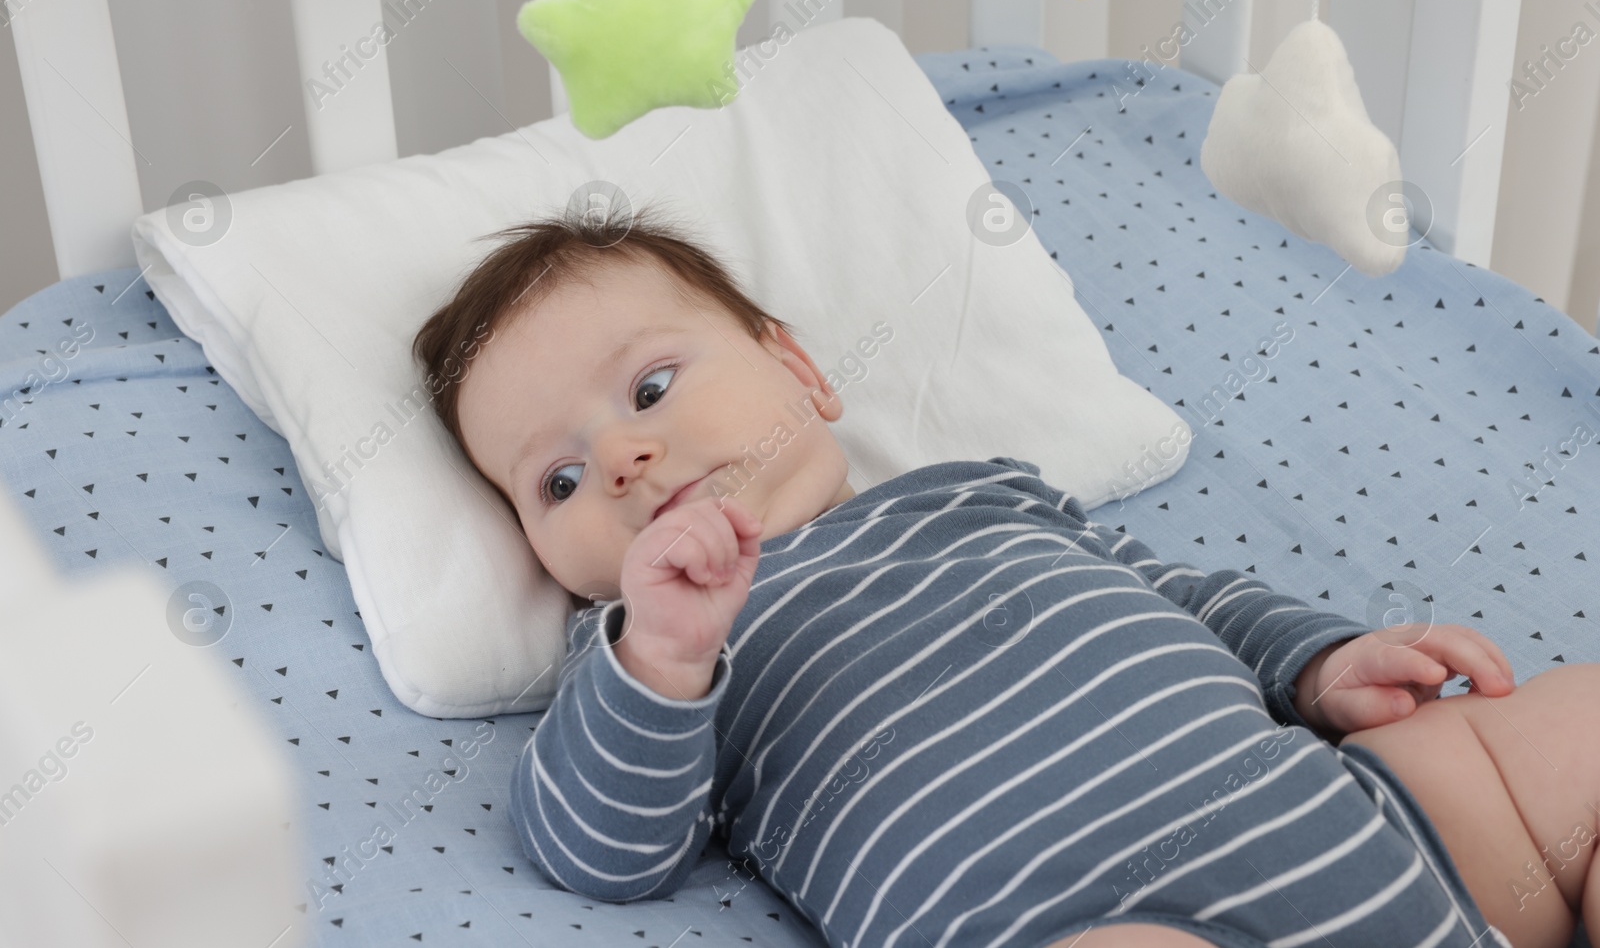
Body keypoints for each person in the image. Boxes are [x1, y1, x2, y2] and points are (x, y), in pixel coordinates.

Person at [413, 203, 1595, 948]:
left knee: (1573, 727)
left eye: (652, 388)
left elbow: (1177, 589)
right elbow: (596, 850)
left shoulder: (982, 491)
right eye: (555, 482)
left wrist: (1319, 658)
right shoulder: (642, 657)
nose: (620, 458)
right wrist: (662, 656)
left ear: (798, 367)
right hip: (1107, 922)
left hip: (1364, 819)